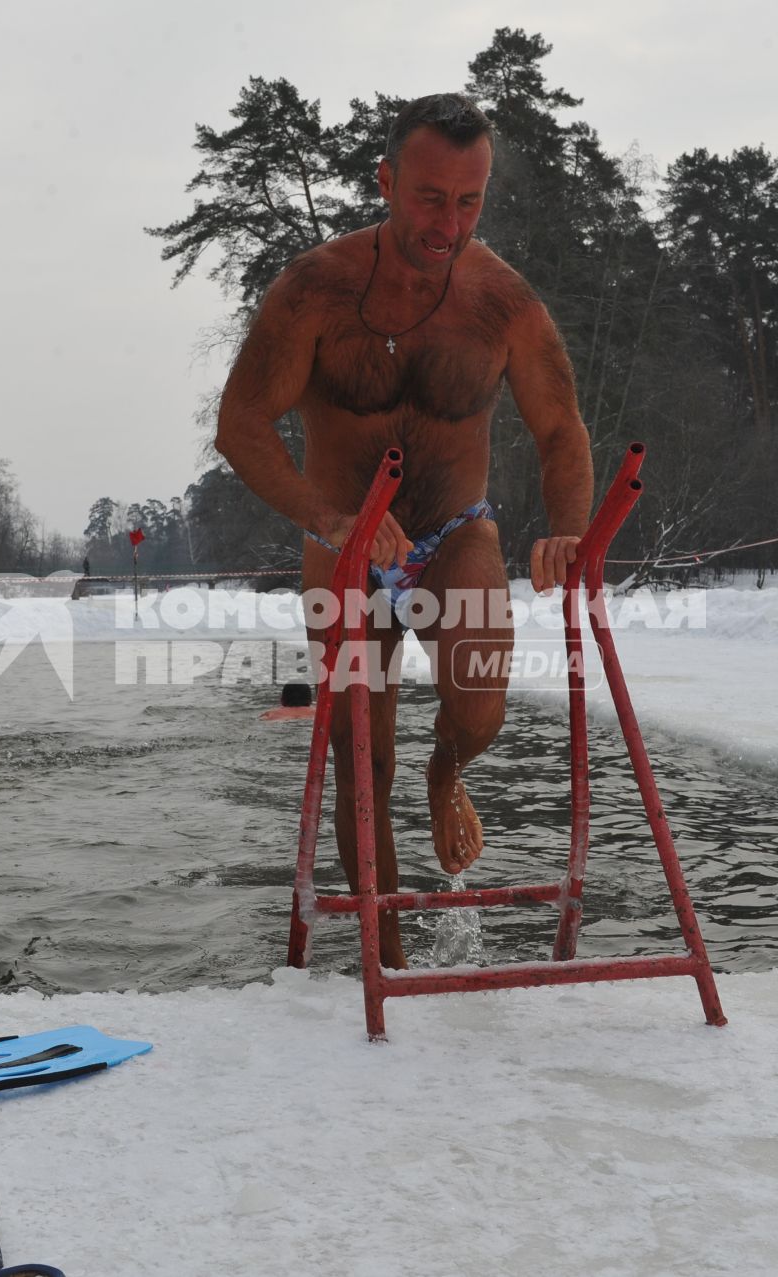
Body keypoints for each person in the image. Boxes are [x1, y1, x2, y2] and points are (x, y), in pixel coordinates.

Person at [213, 92, 593, 969]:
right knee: (361, 762)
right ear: (385, 180)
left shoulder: (502, 299)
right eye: (430, 197)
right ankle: (385, 964)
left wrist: (569, 531)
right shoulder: (315, 289)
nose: (448, 222)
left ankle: (447, 768)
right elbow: (241, 422)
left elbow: (561, 427)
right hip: (344, 544)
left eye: (469, 201)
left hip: (458, 531)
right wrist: (330, 517)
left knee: (481, 704)